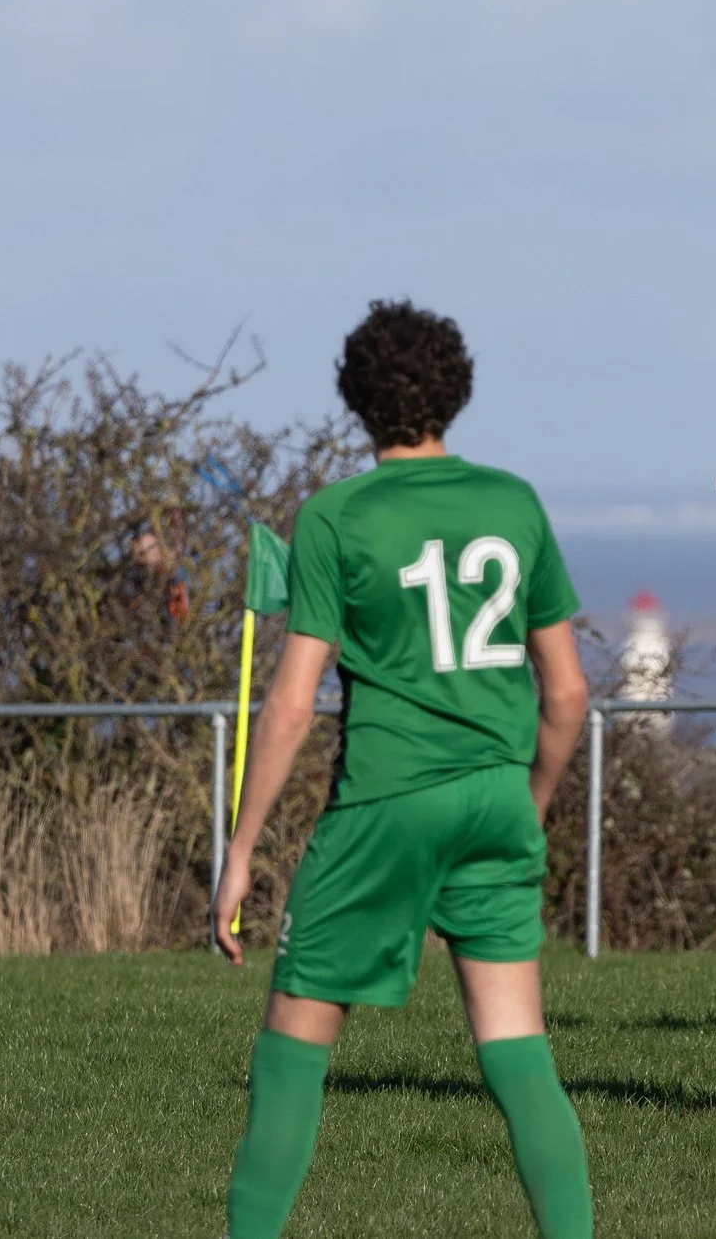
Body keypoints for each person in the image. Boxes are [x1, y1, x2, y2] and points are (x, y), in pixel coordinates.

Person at [213, 301, 594, 1238]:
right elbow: (570, 695)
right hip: (497, 793)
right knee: (519, 1055)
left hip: (384, 803)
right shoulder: (514, 502)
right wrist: (528, 802)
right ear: (455, 391)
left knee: (292, 1051)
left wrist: (241, 849)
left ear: (355, 399)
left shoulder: (336, 516)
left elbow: (295, 706)